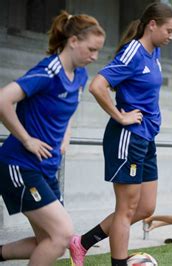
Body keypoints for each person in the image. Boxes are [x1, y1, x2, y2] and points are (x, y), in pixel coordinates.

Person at [68, 3, 172, 266]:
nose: (171, 37)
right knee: (126, 209)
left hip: (146, 137)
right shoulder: (134, 52)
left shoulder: (155, 52)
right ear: (152, 25)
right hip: (128, 137)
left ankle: (81, 242)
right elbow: (98, 86)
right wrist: (120, 116)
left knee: (145, 208)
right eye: (169, 30)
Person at [0, 11, 105, 265]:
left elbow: (68, 112)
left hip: (47, 168)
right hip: (20, 165)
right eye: (91, 49)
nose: (95, 57)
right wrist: (27, 140)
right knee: (62, 235)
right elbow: (3, 99)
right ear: (73, 41)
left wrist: (65, 137)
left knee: (49, 242)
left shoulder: (79, 75)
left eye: (98, 51)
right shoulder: (48, 71)